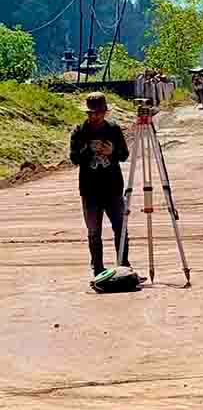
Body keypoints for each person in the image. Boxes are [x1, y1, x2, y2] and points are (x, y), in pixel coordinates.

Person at [70, 92, 130, 277]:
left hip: (113, 187)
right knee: (94, 231)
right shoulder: (79, 132)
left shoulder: (114, 129)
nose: (94, 116)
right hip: (89, 189)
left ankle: (124, 264)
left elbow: (124, 155)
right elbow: (74, 158)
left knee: (120, 227)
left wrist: (113, 151)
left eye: (97, 113)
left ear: (105, 112)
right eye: (91, 113)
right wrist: (88, 150)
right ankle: (97, 268)